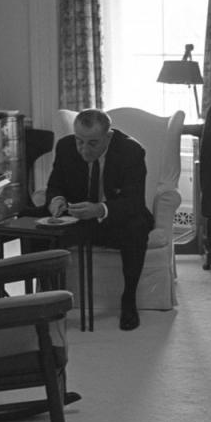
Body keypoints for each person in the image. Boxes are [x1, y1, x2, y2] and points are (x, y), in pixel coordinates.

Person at [45, 108, 152, 331]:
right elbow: (55, 185)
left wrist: (100, 209)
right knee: (35, 227)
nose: (84, 149)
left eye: (92, 143)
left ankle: (128, 300)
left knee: (137, 227)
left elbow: (133, 202)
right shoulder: (65, 147)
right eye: (79, 141)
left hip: (114, 220)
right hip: (76, 219)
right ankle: (47, 301)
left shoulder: (131, 151)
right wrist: (56, 200)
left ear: (108, 136)